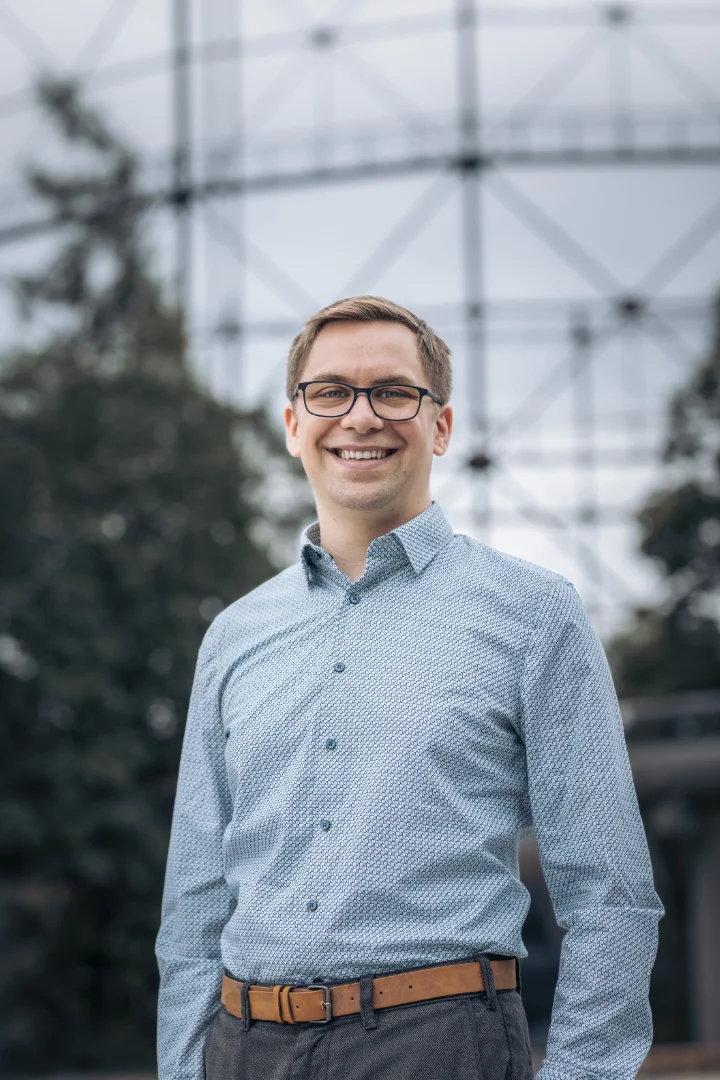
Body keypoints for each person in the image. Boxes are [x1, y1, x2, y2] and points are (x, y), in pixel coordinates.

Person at [155, 295, 663, 1080]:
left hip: (438, 1044)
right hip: (243, 1048)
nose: (361, 417)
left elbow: (611, 894)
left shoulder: (534, 616)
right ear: (294, 425)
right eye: (330, 392)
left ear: (441, 426)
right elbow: (193, 911)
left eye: (393, 392)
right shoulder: (233, 637)